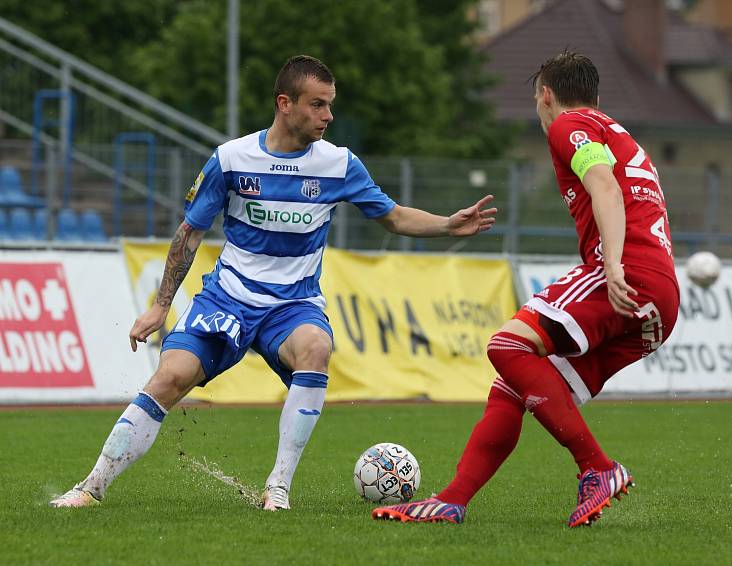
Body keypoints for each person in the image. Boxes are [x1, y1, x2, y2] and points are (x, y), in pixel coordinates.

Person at [50, 55, 497, 510]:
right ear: (285, 104)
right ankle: (91, 487)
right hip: (228, 298)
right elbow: (189, 234)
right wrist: (160, 307)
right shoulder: (231, 159)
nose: (329, 116)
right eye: (318, 105)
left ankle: (278, 487)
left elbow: (395, 217)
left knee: (316, 348)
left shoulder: (339, 165)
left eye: (330, 105)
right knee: (171, 377)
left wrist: (447, 224)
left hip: (293, 305)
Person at [372, 51, 680, 527]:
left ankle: (597, 467)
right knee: (514, 384)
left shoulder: (569, 125)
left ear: (546, 96)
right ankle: (453, 499)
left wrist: (614, 265)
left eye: (538, 101)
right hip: (660, 298)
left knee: (507, 345)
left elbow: (606, 188)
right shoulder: (617, 133)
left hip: (624, 273)